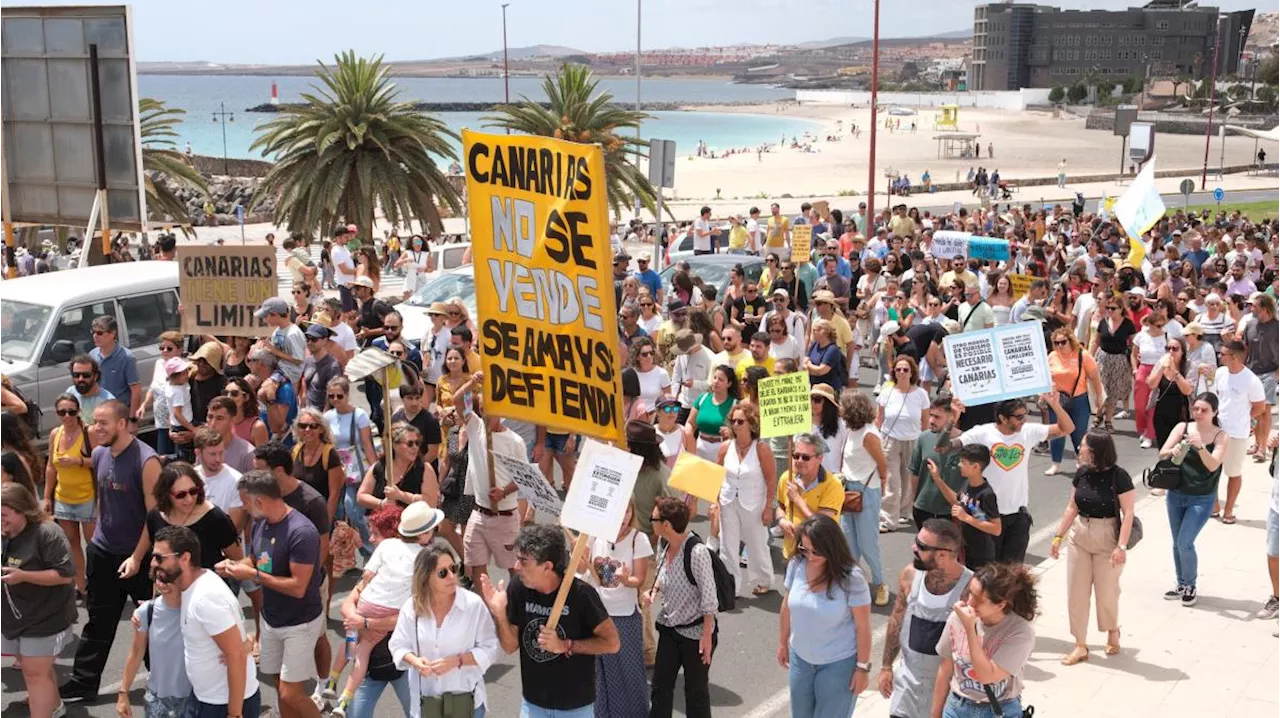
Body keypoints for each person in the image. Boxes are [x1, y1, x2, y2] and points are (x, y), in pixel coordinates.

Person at [62, 400, 162, 703]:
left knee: (151, 626)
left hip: (139, 558)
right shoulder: (99, 453)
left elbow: (154, 517)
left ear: (122, 423)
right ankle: (83, 683)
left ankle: (160, 685)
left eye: (103, 422)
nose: (96, 428)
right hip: (103, 553)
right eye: (95, 422)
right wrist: (97, 537)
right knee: (97, 621)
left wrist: (137, 557)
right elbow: (104, 498)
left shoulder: (147, 461)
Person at [478, 524, 620, 718]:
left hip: (574, 707)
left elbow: (612, 643)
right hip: (533, 704)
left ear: (547, 566)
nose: (516, 566)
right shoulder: (518, 588)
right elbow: (510, 646)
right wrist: (499, 613)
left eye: (523, 561)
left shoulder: (582, 595)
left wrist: (566, 645)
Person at [215, 470, 323, 718]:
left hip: (300, 622)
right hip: (271, 619)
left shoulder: (301, 532)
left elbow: (298, 587)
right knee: (278, 684)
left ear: (259, 501)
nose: (243, 508)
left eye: (244, 502)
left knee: (290, 693)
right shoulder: (262, 523)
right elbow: (256, 560)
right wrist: (234, 566)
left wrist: (252, 576)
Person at [327, 502, 444, 717]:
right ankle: (333, 690)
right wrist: (355, 620)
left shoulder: (421, 562)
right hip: (372, 670)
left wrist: (364, 623)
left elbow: (417, 616)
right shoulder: (424, 561)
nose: (370, 539)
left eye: (375, 534)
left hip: (406, 666)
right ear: (425, 533)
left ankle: (331, 684)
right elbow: (348, 604)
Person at [939, 395, 1074, 563]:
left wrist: (1055, 405)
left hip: (1017, 515)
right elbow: (942, 447)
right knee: (986, 572)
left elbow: (1067, 428)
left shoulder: (1028, 431)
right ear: (1002, 418)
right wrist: (953, 419)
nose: (1024, 420)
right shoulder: (982, 432)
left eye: (1025, 414)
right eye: (1019, 417)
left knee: (1011, 575)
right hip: (984, 515)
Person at [1047, 430, 1135, 666]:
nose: (1079, 449)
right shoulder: (1082, 473)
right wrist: (1058, 537)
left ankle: (1112, 629)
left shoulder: (1120, 476)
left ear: (1095, 451)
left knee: (1107, 593)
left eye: (1083, 445)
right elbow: (1071, 507)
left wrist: (1121, 546)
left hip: (1108, 536)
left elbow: (1128, 514)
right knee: (1076, 593)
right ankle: (1080, 644)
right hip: (1080, 535)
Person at [159, 525, 262, 718]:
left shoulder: (206, 598)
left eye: (159, 558)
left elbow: (237, 655)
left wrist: (234, 713)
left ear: (185, 558)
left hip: (222, 704)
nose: (154, 563)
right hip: (205, 698)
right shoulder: (191, 586)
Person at [387, 545, 499, 718]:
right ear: (425, 577)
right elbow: (398, 645)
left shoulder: (472, 605)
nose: (452, 576)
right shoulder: (412, 607)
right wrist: (415, 662)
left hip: (467, 703)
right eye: (442, 573)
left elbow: (491, 647)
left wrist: (457, 661)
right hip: (426, 704)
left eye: (453, 568)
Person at [778, 514, 872, 718]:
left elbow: (863, 626)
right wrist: (783, 642)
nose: (810, 556)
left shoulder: (851, 577)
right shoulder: (797, 564)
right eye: (804, 549)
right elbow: (787, 605)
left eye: (816, 551)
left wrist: (862, 668)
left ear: (832, 546)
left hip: (838, 665)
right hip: (800, 660)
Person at [879, 520, 972, 718]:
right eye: (916, 541)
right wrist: (886, 666)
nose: (914, 547)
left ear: (943, 554)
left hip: (946, 697)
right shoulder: (910, 575)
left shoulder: (971, 589)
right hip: (906, 691)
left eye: (921, 546)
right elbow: (897, 620)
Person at [0, 483, 76, 718]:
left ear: (21, 509)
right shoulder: (5, 532)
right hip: (15, 616)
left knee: (34, 673)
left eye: (3, 515)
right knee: (36, 670)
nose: (0, 520)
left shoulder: (47, 533)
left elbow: (65, 575)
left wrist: (23, 576)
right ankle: (54, 708)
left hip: (45, 617)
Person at [931, 563, 1037, 718]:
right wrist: (935, 713)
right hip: (957, 707)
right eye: (969, 593)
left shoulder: (1020, 632)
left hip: (999, 709)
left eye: (978, 599)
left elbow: (987, 676)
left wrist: (969, 629)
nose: (969, 603)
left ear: (1000, 605)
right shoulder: (958, 618)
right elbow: (946, 667)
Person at [646, 497, 718, 718]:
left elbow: (709, 600)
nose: (651, 521)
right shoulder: (663, 543)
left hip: (696, 634)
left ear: (666, 525)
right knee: (660, 687)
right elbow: (662, 576)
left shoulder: (697, 553)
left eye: (654, 518)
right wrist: (653, 591)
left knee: (695, 692)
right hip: (670, 627)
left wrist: (706, 637)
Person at [581, 500, 652, 717]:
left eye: (628, 511)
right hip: (597, 615)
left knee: (628, 671)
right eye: (619, 512)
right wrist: (578, 552)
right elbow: (580, 567)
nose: (623, 518)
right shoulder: (594, 536)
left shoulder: (638, 539)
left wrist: (625, 579)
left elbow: (638, 579)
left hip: (625, 616)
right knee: (599, 673)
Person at [1159, 393, 1227, 608]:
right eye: (1196, 408)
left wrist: (1199, 447)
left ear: (1214, 412)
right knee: (1176, 542)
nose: (1198, 413)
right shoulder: (1182, 428)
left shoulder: (1221, 436)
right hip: (1176, 494)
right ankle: (1181, 584)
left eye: (1204, 410)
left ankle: (1190, 585)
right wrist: (1174, 450)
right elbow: (1162, 453)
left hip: (1202, 497)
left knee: (1185, 542)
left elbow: (1213, 465)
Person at [116, 551, 191, 718]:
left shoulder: (196, 608)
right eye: (158, 578)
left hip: (194, 698)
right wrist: (123, 693)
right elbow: (136, 653)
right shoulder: (146, 612)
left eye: (167, 579)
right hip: (157, 700)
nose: (162, 584)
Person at [715, 403, 775, 598]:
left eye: (741, 421)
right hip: (728, 500)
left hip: (754, 502)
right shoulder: (725, 447)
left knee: (757, 543)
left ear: (752, 424)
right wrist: (714, 502)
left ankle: (762, 579)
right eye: (733, 421)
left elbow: (771, 478)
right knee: (727, 544)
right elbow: (716, 475)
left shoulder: (762, 449)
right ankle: (731, 584)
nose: (736, 425)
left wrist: (768, 507)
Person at [839, 391, 890, 607]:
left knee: (868, 543)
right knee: (849, 542)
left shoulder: (869, 434)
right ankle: (854, 583)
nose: (840, 410)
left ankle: (880, 583)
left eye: (843, 407)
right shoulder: (852, 430)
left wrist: (882, 486)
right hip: (848, 489)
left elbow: (882, 464)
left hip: (866, 491)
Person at [43, 393, 95, 598]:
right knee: (72, 543)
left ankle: (99, 582)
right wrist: (47, 497)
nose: (67, 416)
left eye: (71, 412)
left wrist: (78, 462)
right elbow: (50, 468)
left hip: (87, 496)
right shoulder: (55, 434)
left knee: (94, 546)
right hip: (63, 497)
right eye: (62, 412)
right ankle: (80, 585)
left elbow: (100, 459)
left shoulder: (87, 432)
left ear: (78, 411)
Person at [1213, 340, 1268, 524]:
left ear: (1234, 357)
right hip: (1217, 430)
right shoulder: (1220, 374)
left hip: (1237, 433)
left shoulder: (1251, 380)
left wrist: (1246, 418)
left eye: (1223, 354)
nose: (1220, 356)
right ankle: (1214, 507)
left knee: (1233, 473)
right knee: (1211, 470)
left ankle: (1228, 511)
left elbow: (1259, 407)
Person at [926, 445, 1000, 570]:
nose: (959, 465)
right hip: (965, 549)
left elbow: (996, 528)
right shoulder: (968, 484)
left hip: (980, 555)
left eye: (963, 462)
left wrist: (965, 517)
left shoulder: (987, 494)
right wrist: (937, 478)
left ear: (976, 467)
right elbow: (956, 500)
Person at [878, 356, 930, 530]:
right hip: (889, 440)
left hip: (913, 440)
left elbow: (925, 421)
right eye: (898, 369)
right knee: (892, 481)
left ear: (912, 372)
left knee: (908, 480)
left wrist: (925, 443)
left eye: (905, 369)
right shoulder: (887, 392)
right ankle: (887, 519)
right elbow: (879, 418)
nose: (901, 372)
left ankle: (903, 510)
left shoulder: (921, 394)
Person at [327, 376, 378, 551]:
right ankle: (354, 546)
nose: (335, 400)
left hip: (356, 469)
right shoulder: (327, 417)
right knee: (340, 512)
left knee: (351, 507)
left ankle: (369, 542)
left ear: (347, 395)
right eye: (331, 396)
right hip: (336, 468)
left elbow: (367, 444)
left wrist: (375, 470)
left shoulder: (359, 415)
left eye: (339, 396)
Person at [775, 433, 844, 559]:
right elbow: (780, 506)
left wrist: (797, 499)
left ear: (820, 458)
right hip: (791, 553)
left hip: (819, 555)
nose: (799, 461)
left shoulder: (832, 485)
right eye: (796, 456)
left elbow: (823, 525)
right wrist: (781, 520)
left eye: (805, 457)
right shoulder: (787, 477)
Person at [1046, 328, 1104, 476]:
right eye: (1056, 343)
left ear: (1070, 340)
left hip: (1078, 399)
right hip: (1057, 400)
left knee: (1079, 433)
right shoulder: (1052, 356)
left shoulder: (1082, 355)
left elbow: (1095, 378)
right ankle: (1056, 463)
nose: (1060, 346)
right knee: (1057, 433)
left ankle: (1082, 462)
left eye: (1063, 342)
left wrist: (1099, 399)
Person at [911, 397, 965, 530]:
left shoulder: (966, 442)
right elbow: (915, 473)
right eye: (930, 415)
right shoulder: (924, 438)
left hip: (952, 512)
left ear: (953, 417)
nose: (931, 421)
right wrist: (916, 502)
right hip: (923, 509)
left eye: (937, 417)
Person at [1089, 296, 1136, 432]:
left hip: (1119, 360)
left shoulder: (1128, 324)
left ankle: (1108, 419)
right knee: (1101, 389)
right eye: (1108, 308)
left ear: (1121, 309)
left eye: (1113, 308)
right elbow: (1096, 341)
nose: (1109, 311)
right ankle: (1098, 415)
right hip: (1103, 358)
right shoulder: (1103, 322)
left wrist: (1132, 360)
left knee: (1113, 392)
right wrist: (1090, 357)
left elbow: (1133, 344)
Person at [89, 314, 141, 417]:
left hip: (120, 414)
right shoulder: (92, 355)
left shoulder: (127, 357)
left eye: (99, 333)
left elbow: (136, 390)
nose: (95, 336)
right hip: (99, 413)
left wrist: (132, 419)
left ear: (112, 334)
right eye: (93, 332)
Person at [67, 355, 115, 426]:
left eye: (86, 375)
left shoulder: (108, 401)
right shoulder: (70, 393)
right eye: (76, 375)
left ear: (95, 377)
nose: (80, 379)